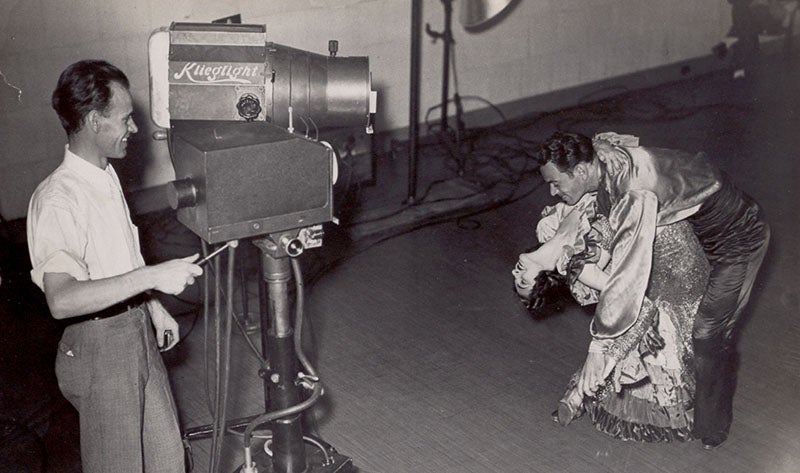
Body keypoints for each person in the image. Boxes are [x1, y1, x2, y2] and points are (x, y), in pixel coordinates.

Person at [533, 131, 769, 449]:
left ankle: (713, 424)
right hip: (699, 232)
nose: (552, 191)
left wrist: (600, 346)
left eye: (556, 183)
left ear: (580, 171)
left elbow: (628, 278)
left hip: (738, 240)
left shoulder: (632, 195)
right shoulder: (600, 156)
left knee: (707, 331)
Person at [27, 60, 203, 473]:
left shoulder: (104, 176)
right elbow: (63, 298)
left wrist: (151, 304)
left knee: (169, 462)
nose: (135, 129)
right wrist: (153, 277)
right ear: (93, 121)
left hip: (135, 329)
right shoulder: (58, 198)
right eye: (125, 118)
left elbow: (114, 256)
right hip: (99, 346)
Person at [515, 192, 710, 441]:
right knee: (623, 329)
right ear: (547, 276)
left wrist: (609, 356)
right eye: (523, 280)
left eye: (518, 278)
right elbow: (635, 302)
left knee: (634, 337)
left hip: (672, 262)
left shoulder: (551, 232)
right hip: (652, 258)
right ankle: (579, 394)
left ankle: (579, 395)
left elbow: (640, 305)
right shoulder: (574, 264)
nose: (515, 270)